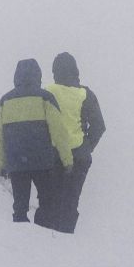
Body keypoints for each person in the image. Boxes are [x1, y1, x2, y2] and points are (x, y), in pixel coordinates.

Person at [0, 58, 73, 227]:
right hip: (42, 161)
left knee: (20, 206)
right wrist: (67, 160)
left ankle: (20, 239)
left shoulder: (5, 101)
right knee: (47, 202)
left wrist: (1, 164)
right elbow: (59, 131)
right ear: (38, 75)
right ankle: (42, 235)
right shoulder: (45, 97)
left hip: (16, 162)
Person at [45, 52, 106, 234]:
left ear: (55, 71)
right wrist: (87, 148)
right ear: (75, 70)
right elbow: (99, 126)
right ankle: (66, 240)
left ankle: (47, 242)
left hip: (53, 156)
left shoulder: (48, 92)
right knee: (70, 201)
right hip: (79, 157)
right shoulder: (85, 94)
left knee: (51, 200)